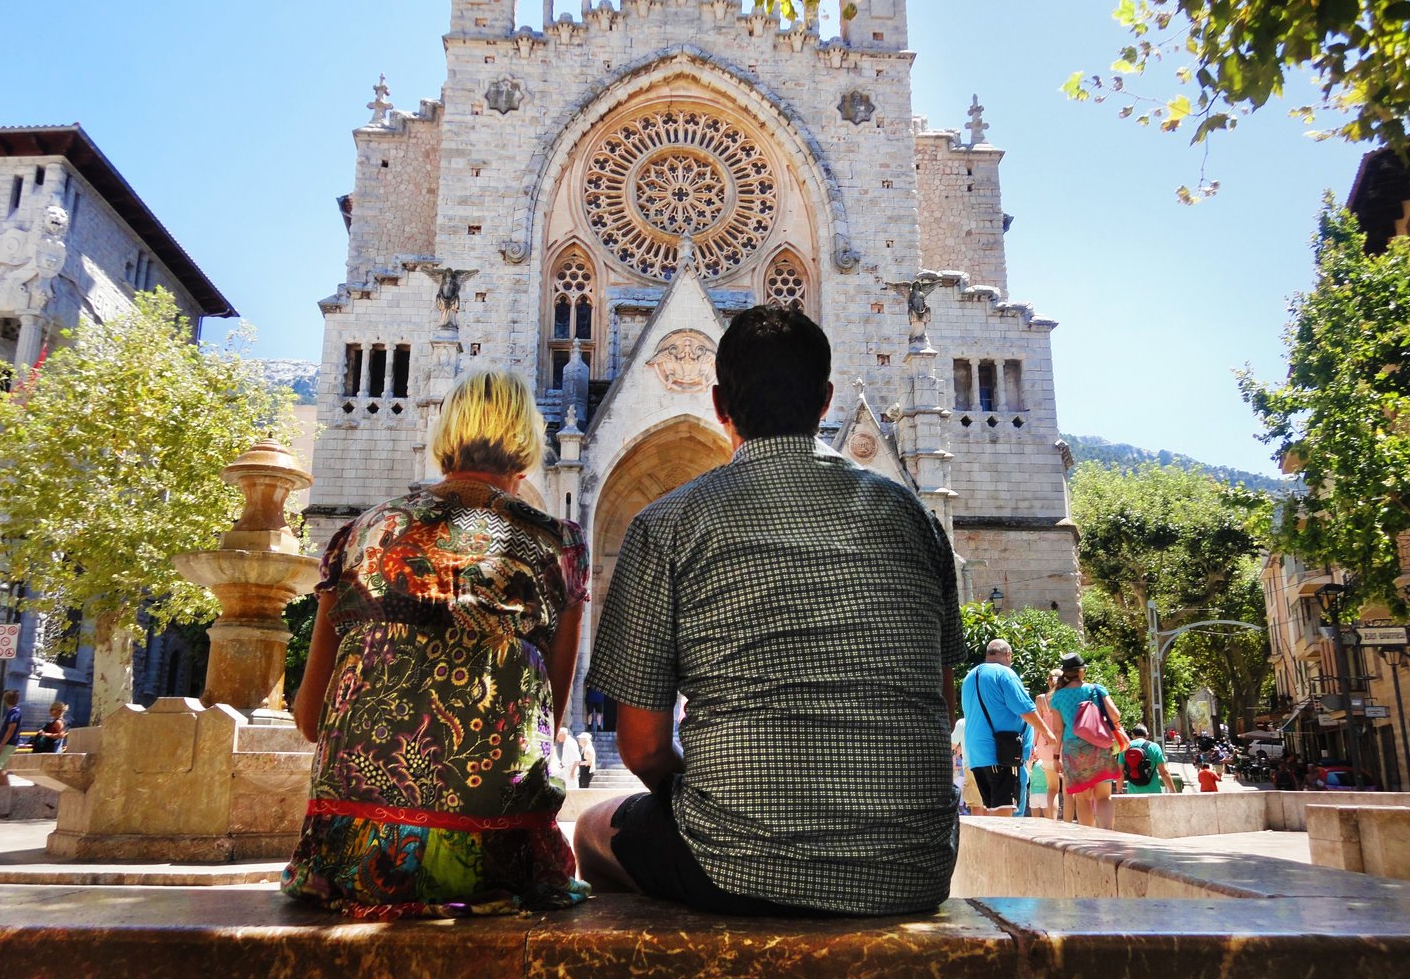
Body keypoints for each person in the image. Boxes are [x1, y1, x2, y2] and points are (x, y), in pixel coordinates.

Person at [574, 305, 961, 916]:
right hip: (913, 868)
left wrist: (718, 805)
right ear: (827, 400)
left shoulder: (666, 523)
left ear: (719, 402)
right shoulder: (915, 519)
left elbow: (642, 747)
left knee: (592, 830)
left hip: (734, 865)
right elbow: (944, 702)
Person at [282, 369, 590, 919]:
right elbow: (550, 723)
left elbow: (310, 721)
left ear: (445, 442)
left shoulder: (357, 535)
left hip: (345, 861)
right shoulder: (558, 546)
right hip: (500, 861)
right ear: (527, 450)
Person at [960, 639, 1053, 816]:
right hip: (1001, 754)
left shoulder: (969, 677)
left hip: (976, 755)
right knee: (1004, 814)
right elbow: (1025, 709)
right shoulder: (1004, 674)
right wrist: (1048, 734)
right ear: (1008, 655)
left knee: (990, 811)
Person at [1046, 654, 1123, 828]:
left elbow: (1058, 730)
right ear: (1081, 672)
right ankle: (1107, 833)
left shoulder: (1057, 697)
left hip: (1073, 749)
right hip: (1099, 745)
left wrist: (1056, 757)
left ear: (1065, 673)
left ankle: (1089, 840)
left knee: (1082, 799)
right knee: (1103, 797)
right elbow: (1116, 715)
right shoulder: (1096, 690)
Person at [1033, 668, 1063, 820]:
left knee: (1052, 788)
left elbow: (1037, 726)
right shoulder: (1065, 698)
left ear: (1049, 680)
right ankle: (1069, 820)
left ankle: (1053, 822)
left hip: (1045, 746)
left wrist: (1033, 746)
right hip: (1064, 746)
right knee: (1071, 789)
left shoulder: (1041, 699)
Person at [1117, 723, 1174, 794]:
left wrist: (1119, 791)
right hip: (1153, 791)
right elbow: (1163, 772)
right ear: (1147, 735)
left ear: (1133, 735)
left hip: (1133, 793)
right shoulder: (1154, 747)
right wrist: (1173, 791)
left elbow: (1120, 772)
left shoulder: (1125, 748)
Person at [0, 689, 22, 786]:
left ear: (5, 699)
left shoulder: (13, 712)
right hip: (9, 743)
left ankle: (3, 791)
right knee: (1, 769)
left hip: (8, 743)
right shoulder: (14, 712)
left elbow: (11, 729)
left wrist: (1, 745)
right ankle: (4, 790)